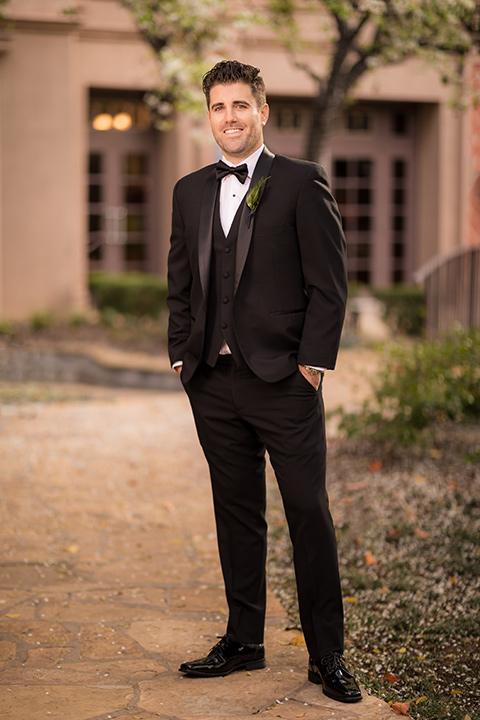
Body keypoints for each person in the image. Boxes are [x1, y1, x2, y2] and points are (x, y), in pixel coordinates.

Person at [167, 59, 361, 704]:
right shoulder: (189, 190)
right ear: (209, 115)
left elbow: (329, 288)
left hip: (285, 381)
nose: (229, 118)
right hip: (213, 382)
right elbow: (181, 285)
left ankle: (326, 654)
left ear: (263, 112)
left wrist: (311, 368)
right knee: (236, 511)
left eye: (240, 106)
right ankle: (245, 640)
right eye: (219, 107)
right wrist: (181, 357)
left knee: (308, 511)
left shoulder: (302, 183)